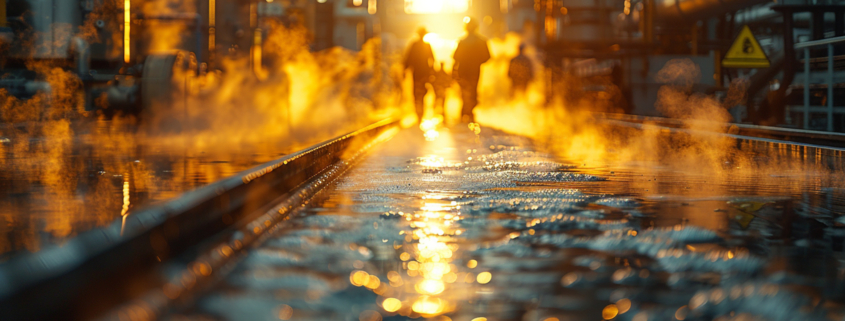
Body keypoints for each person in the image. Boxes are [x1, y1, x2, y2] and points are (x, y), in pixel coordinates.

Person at [453, 18, 490, 123]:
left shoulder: (462, 41)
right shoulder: (481, 41)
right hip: (474, 71)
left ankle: (466, 113)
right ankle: (468, 113)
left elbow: (456, 58)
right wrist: (477, 62)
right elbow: (487, 57)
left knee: (466, 93)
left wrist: (454, 72)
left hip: (463, 72)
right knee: (472, 92)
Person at [404, 27, 435, 120]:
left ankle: (419, 112)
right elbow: (432, 60)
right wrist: (432, 72)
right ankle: (420, 112)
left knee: (418, 92)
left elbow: (408, 59)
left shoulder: (415, 45)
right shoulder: (426, 45)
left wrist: (405, 70)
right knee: (421, 92)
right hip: (423, 73)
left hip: (418, 73)